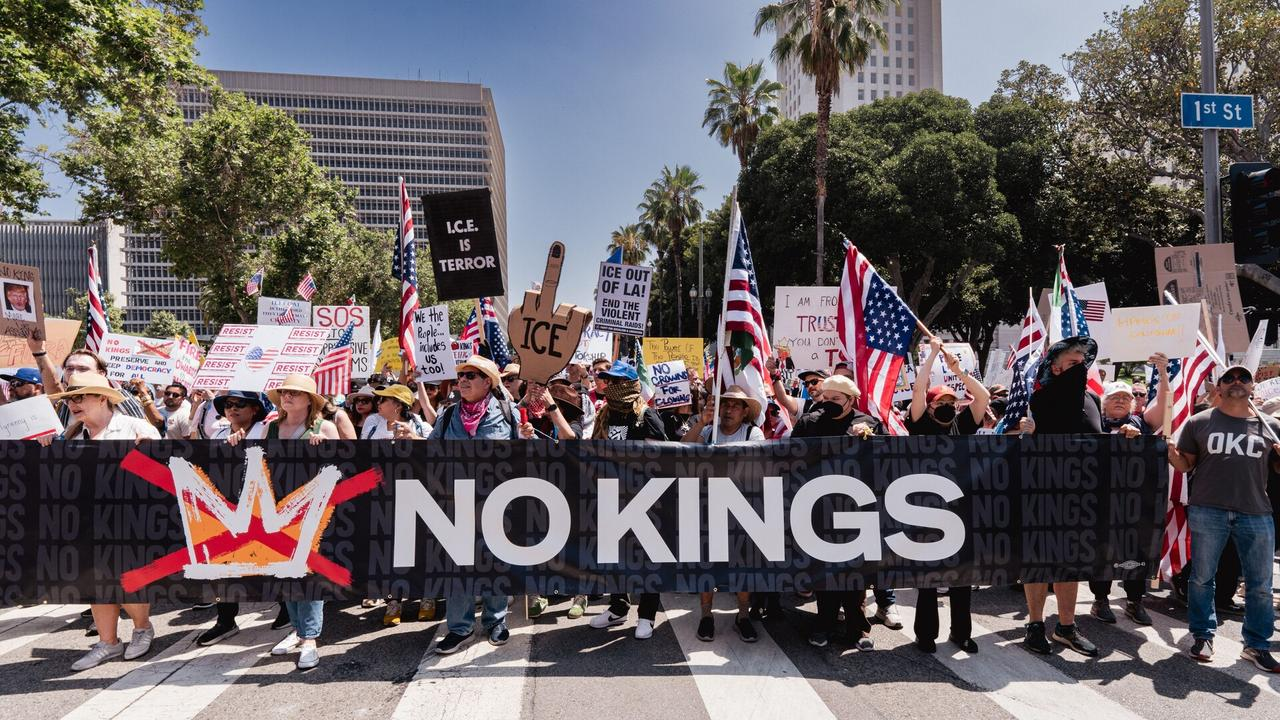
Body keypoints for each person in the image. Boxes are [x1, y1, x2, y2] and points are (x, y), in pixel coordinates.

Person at [1168, 363, 1280, 672]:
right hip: (1208, 509)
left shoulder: (1270, 425)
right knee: (1202, 578)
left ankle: (1256, 645)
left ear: (1252, 386)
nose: (1236, 381)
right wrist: (1170, 452)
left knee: (1260, 585)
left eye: (1243, 377)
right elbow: (1185, 465)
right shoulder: (1199, 422)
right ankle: (1203, 636)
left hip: (1256, 512)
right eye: (1228, 378)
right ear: (1218, 387)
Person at [44, 374, 160, 670]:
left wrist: (152, 450)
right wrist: (44, 449)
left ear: (102, 398)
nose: (73, 404)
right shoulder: (69, 436)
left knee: (125, 578)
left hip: (129, 519)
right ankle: (108, 642)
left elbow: (165, 470)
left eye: (80, 397)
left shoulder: (135, 427)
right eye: (69, 399)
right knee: (94, 580)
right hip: (87, 520)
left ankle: (142, 628)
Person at [429, 356, 520, 654]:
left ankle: (496, 621)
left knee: (494, 562)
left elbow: (522, 457)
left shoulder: (507, 413)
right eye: (461, 375)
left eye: (471, 375)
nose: (463, 380)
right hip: (455, 503)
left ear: (488, 382)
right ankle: (460, 628)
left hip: (496, 502)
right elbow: (430, 451)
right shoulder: (448, 415)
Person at [906, 337, 988, 654]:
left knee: (961, 575)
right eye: (940, 403)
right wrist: (931, 356)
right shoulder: (920, 425)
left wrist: (959, 372)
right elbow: (918, 390)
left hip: (960, 509)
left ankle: (961, 633)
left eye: (951, 403)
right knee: (928, 577)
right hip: (926, 508)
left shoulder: (962, 424)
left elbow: (981, 397)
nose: (947, 407)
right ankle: (925, 634)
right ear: (929, 407)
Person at [1023, 336, 1101, 657]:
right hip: (1041, 491)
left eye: (1083, 362)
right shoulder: (1038, 400)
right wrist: (1025, 433)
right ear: (1055, 368)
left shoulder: (1092, 399)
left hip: (1080, 494)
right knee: (1039, 561)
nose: (1080, 367)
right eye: (1072, 363)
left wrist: (1126, 439)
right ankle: (1035, 625)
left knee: (1071, 562)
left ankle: (1066, 627)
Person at [792, 375, 882, 649]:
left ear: (851, 400)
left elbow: (883, 458)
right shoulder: (809, 422)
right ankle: (825, 624)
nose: (829, 403)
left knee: (855, 572)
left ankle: (858, 629)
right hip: (818, 507)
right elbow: (791, 455)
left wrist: (865, 440)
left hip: (855, 508)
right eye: (826, 398)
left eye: (836, 399)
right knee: (824, 570)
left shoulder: (867, 423)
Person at [587, 360, 669, 639]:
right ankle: (618, 607)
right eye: (609, 381)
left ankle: (647, 615)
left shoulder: (646, 416)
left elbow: (663, 460)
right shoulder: (605, 415)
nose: (611, 386)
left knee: (647, 558)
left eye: (617, 382)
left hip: (645, 500)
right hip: (612, 496)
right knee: (615, 557)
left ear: (632, 385)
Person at [262, 373, 340, 669]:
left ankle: (310, 637)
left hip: (312, 511)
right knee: (285, 574)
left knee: (307, 573)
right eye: (285, 392)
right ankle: (297, 629)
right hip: (275, 511)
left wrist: (328, 450)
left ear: (310, 400)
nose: (287, 396)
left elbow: (344, 467)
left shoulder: (325, 428)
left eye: (295, 392)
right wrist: (237, 441)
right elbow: (255, 463)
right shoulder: (270, 428)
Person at [682, 385, 764, 643]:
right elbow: (681, 450)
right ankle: (706, 616)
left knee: (743, 564)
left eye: (735, 405)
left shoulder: (753, 433)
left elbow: (757, 464)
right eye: (725, 404)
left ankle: (743, 616)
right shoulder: (708, 431)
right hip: (708, 505)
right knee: (708, 562)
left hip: (742, 507)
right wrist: (701, 423)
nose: (729, 409)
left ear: (745, 412)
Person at [196, 390, 276, 645]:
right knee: (221, 564)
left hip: (261, 504)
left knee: (273, 558)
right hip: (227, 506)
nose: (233, 408)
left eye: (240, 404)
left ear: (255, 409)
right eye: (228, 404)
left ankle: (287, 610)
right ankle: (226, 620)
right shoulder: (218, 434)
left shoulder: (265, 429)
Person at [1089, 379, 1157, 626]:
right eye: (1115, 397)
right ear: (1104, 403)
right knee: (1102, 550)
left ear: (1133, 405)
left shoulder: (1141, 426)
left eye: (1126, 398)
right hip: (1100, 501)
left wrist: (1139, 439)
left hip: (1133, 502)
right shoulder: (1094, 425)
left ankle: (1135, 601)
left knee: (1135, 550)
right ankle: (1100, 600)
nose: (1120, 401)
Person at [361, 384, 430, 441]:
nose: (378, 402)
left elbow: (435, 448)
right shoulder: (371, 428)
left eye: (383, 399)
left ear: (398, 405)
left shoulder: (422, 428)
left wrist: (416, 438)